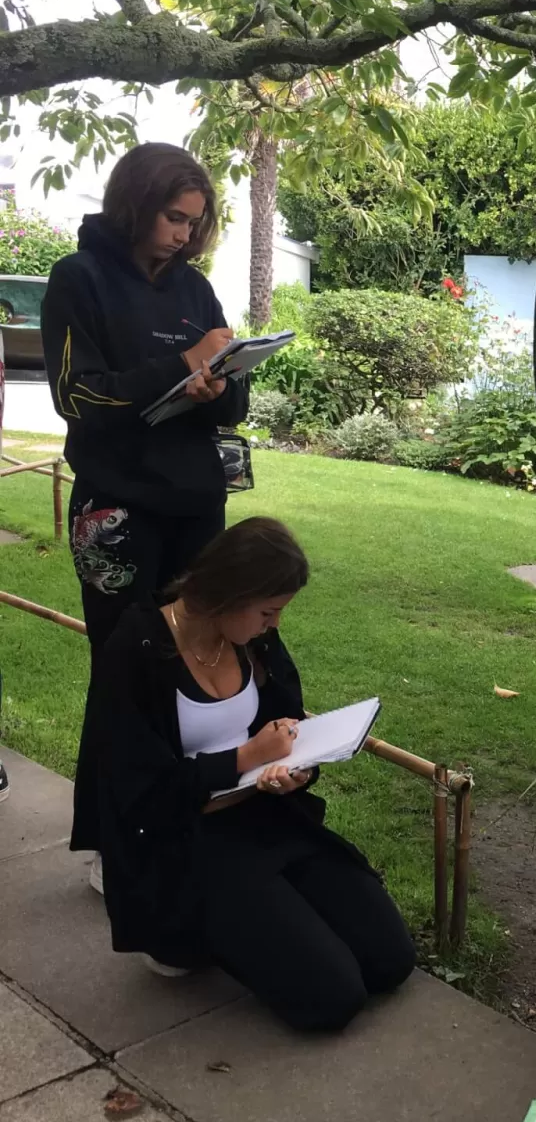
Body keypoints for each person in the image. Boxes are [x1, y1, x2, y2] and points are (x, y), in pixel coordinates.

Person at [86, 516, 415, 1031]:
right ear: (228, 594)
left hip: (269, 819)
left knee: (391, 960)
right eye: (268, 611)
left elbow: (286, 724)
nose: (275, 624)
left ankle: (266, 920)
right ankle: (197, 931)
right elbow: (139, 789)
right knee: (333, 999)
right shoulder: (137, 648)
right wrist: (245, 758)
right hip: (190, 840)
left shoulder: (253, 643)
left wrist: (295, 769)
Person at [40, 143, 250, 868]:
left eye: (194, 223)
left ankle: (189, 822)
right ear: (136, 205)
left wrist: (218, 384)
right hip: (119, 512)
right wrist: (179, 365)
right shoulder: (79, 278)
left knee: (199, 663)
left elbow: (234, 404)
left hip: (196, 507)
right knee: (125, 671)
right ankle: (115, 844)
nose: (184, 236)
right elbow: (77, 395)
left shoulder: (195, 289)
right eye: (173, 218)